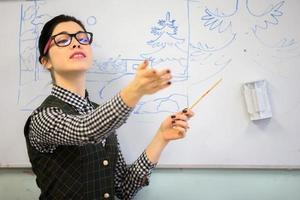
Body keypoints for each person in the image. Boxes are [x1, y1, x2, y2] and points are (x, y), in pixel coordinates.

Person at [24, 14, 194, 200]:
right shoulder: (43, 117)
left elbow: (123, 188)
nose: (76, 43)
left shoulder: (101, 114)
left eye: (82, 38)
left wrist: (161, 137)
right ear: (45, 61)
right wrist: (134, 91)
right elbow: (85, 129)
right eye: (63, 40)